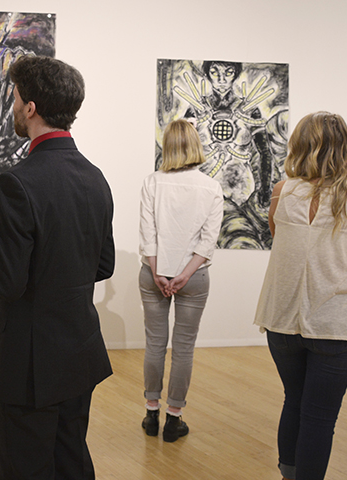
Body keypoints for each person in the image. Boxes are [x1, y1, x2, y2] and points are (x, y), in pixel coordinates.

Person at [0, 55, 115, 479]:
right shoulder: (95, 177)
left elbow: (8, 280)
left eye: (16, 98)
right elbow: (105, 263)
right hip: (79, 351)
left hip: (31, 364)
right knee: (71, 460)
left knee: (27, 467)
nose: (13, 107)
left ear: (31, 107)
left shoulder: (18, 182)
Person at [254, 111, 347, 480]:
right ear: (344, 150)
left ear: (299, 145)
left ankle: (288, 475)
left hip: (283, 320)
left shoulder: (282, 193)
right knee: (320, 416)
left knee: (294, 401)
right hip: (336, 323)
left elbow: (283, 243)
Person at [138, 119, 223, 442]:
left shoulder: (152, 182)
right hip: (194, 278)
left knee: (154, 344)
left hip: (153, 276)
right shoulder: (211, 187)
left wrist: (160, 272)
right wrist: (184, 275)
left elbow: (149, 234)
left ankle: (150, 413)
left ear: (167, 146)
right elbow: (207, 241)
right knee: (184, 349)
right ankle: (174, 420)